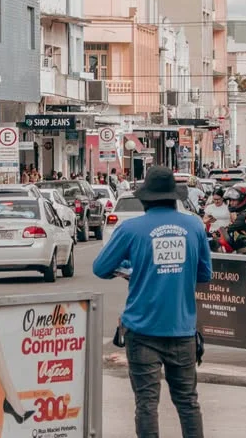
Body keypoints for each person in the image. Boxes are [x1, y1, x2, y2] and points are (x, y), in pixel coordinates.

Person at [93, 166, 211, 438]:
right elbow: (204, 274)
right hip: (182, 329)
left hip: (142, 329)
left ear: (144, 199)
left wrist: (132, 269)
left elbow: (101, 268)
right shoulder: (193, 225)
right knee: (188, 402)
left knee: (146, 404)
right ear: (175, 197)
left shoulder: (131, 229)